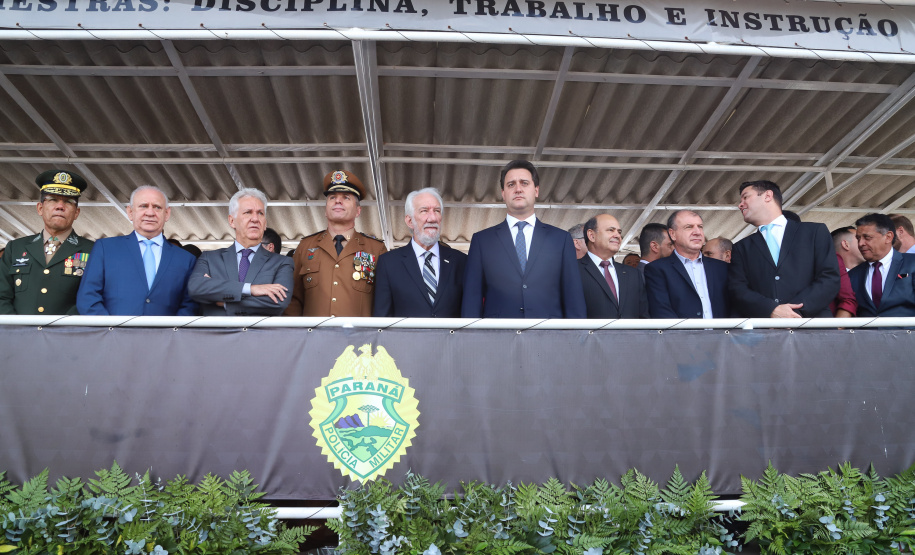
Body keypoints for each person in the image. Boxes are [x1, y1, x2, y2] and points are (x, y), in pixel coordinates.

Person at [462, 160, 586, 318]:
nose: (518, 189)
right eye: (511, 184)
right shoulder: (482, 241)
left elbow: (573, 296)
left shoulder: (560, 239)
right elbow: (472, 299)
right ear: (503, 193)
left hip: (550, 337)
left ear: (536, 190)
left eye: (524, 183)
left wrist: (577, 339)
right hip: (498, 337)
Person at [76, 185, 198, 316]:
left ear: (167, 213)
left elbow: (190, 305)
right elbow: (88, 298)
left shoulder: (186, 259)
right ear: (130, 212)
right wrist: (110, 332)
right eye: (143, 206)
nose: (150, 213)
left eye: (157, 207)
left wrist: (171, 334)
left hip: (166, 336)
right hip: (114, 335)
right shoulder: (105, 248)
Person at [729, 180, 839, 318]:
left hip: (812, 327)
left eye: (745, 197)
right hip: (766, 330)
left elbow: (829, 278)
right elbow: (738, 289)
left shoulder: (814, 232)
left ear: (767, 196)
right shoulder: (741, 247)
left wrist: (793, 312)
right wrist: (771, 310)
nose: (740, 204)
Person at [284, 170, 387, 317]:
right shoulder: (306, 246)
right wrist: (299, 333)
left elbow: (385, 300)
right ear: (326, 210)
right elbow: (292, 296)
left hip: (359, 338)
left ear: (358, 211)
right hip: (314, 337)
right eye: (332, 197)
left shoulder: (376, 249)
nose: (338, 201)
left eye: (346, 197)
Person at [0, 170, 94, 315]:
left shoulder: (93, 250)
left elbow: (92, 299)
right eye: (53, 199)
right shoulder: (15, 248)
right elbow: (2, 296)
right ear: (40, 208)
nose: (60, 206)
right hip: (19, 335)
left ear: (76, 212)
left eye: (69, 201)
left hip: (67, 335)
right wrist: (16, 331)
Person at [188, 189, 294, 316]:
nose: (255, 218)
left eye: (260, 213)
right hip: (216, 335)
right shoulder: (209, 258)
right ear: (232, 221)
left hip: (259, 336)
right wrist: (250, 289)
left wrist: (225, 301)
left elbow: (279, 301)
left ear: (265, 223)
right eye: (248, 212)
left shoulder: (282, 263)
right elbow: (196, 288)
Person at [373, 188, 467, 317]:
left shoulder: (461, 261)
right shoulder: (388, 263)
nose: (432, 218)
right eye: (424, 211)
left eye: (437, 211)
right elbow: (382, 318)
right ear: (410, 221)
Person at [644, 210, 729, 319]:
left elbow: (734, 305)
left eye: (700, 226)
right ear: (673, 234)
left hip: (723, 335)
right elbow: (661, 310)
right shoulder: (657, 269)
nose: (697, 232)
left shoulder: (722, 268)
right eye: (689, 227)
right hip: (680, 335)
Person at [578, 214, 647, 318]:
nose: (617, 236)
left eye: (619, 232)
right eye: (611, 230)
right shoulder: (573, 270)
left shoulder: (633, 274)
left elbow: (644, 315)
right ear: (591, 235)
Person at [848, 213, 915, 317]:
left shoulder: (912, 263)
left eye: (867, 237)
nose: (861, 243)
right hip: (866, 333)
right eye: (858, 238)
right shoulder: (852, 275)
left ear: (888, 237)